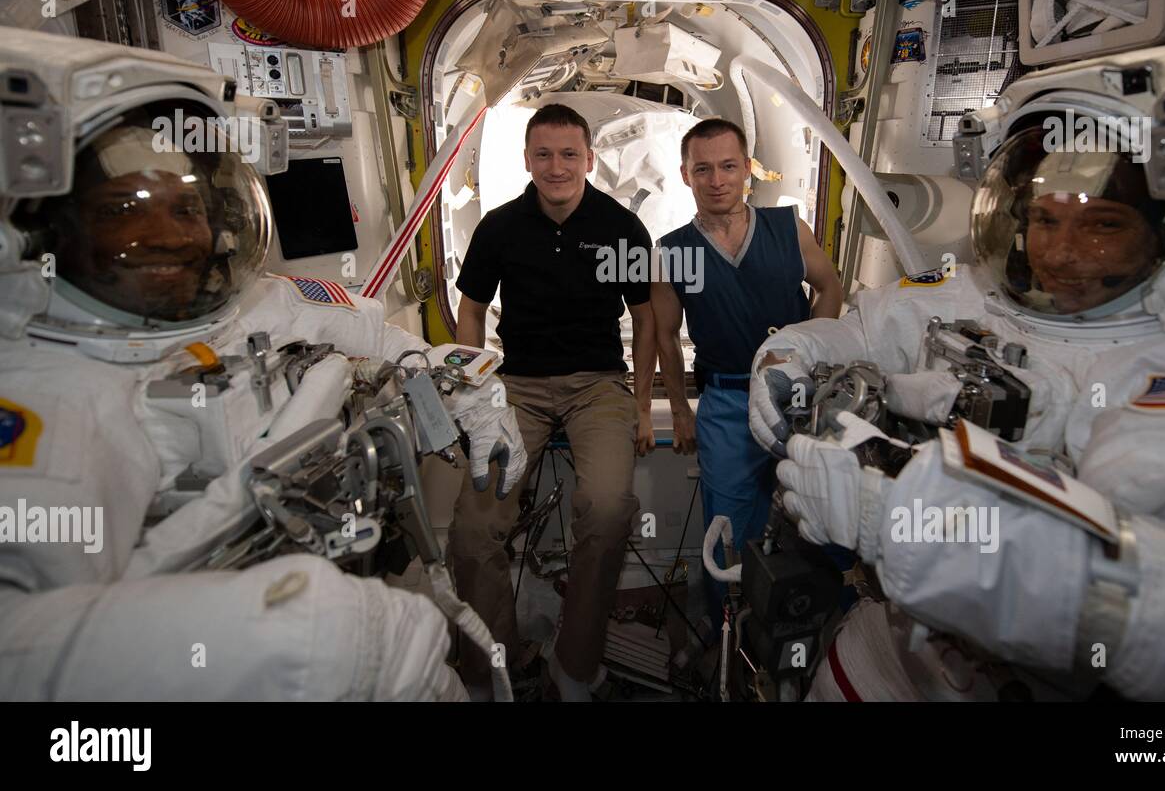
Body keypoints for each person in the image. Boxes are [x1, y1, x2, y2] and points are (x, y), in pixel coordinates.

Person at [749, 43, 1165, 700]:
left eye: (1102, 224)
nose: (1061, 253)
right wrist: (792, 354)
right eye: (1043, 219)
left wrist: (930, 532)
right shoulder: (976, 294)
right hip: (893, 641)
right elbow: (864, 331)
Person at [0, 95, 527, 700]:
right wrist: (307, 635)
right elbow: (24, 640)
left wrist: (473, 396)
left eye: (186, 209)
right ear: (61, 236)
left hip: (340, 572)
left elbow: (388, 343)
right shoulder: (51, 393)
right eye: (126, 210)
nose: (169, 235)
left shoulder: (260, 303)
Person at [448, 103, 657, 701]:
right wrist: (474, 392)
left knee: (608, 506)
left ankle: (575, 660)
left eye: (570, 154)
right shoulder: (500, 227)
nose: (557, 166)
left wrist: (642, 405)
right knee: (473, 528)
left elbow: (645, 319)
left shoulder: (620, 227)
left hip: (597, 385)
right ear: (527, 160)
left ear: (590, 159)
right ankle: (498, 663)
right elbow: (471, 308)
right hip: (517, 388)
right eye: (545, 154)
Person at [651, 118, 842, 631]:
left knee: (813, 518)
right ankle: (728, 637)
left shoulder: (787, 228)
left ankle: (801, 631)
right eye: (703, 169)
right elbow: (666, 338)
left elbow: (829, 286)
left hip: (797, 398)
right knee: (729, 530)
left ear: (748, 171)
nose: (717, 180)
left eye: (728, 166)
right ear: (686, 175)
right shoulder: (671, 251)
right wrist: (680, 411)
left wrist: (804, 348)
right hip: (727, 403)